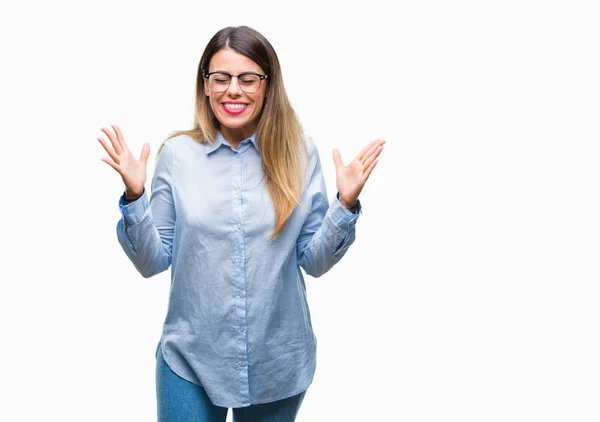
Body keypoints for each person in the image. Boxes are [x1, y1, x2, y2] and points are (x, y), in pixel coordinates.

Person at [97, 25, 384, 422]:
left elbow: (313, 261)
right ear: (206, 85)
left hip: (277, 362)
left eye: (248, 79)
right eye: (222, 78)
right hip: (191, 361)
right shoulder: (178, 155)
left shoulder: (298, 153)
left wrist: (345, 203)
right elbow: (151, 261)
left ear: (267, 86)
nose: (234, 90)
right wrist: (134, 196)